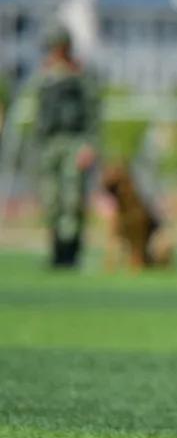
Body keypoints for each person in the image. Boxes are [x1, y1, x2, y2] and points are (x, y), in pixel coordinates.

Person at [27, 25, 101, 268]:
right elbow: (38, 111)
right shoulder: (44, 76)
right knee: (51, 200)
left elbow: (92, 113)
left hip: (74, 142)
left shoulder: (80, 75)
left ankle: (71, 253)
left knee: (73, 199)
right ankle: (56, 252)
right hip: (49, 144)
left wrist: (90, 145)